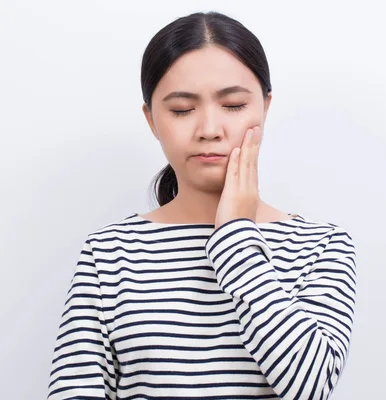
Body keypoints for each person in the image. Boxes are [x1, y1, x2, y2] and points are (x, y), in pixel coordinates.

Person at [47, 10, 357, 400]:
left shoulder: (323, 246)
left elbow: (309, 387)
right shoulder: (108, 252)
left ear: (265, 107)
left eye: (232, 106)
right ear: (151, 120)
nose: (210, 129)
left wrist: (236, 239)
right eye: (181, 109)